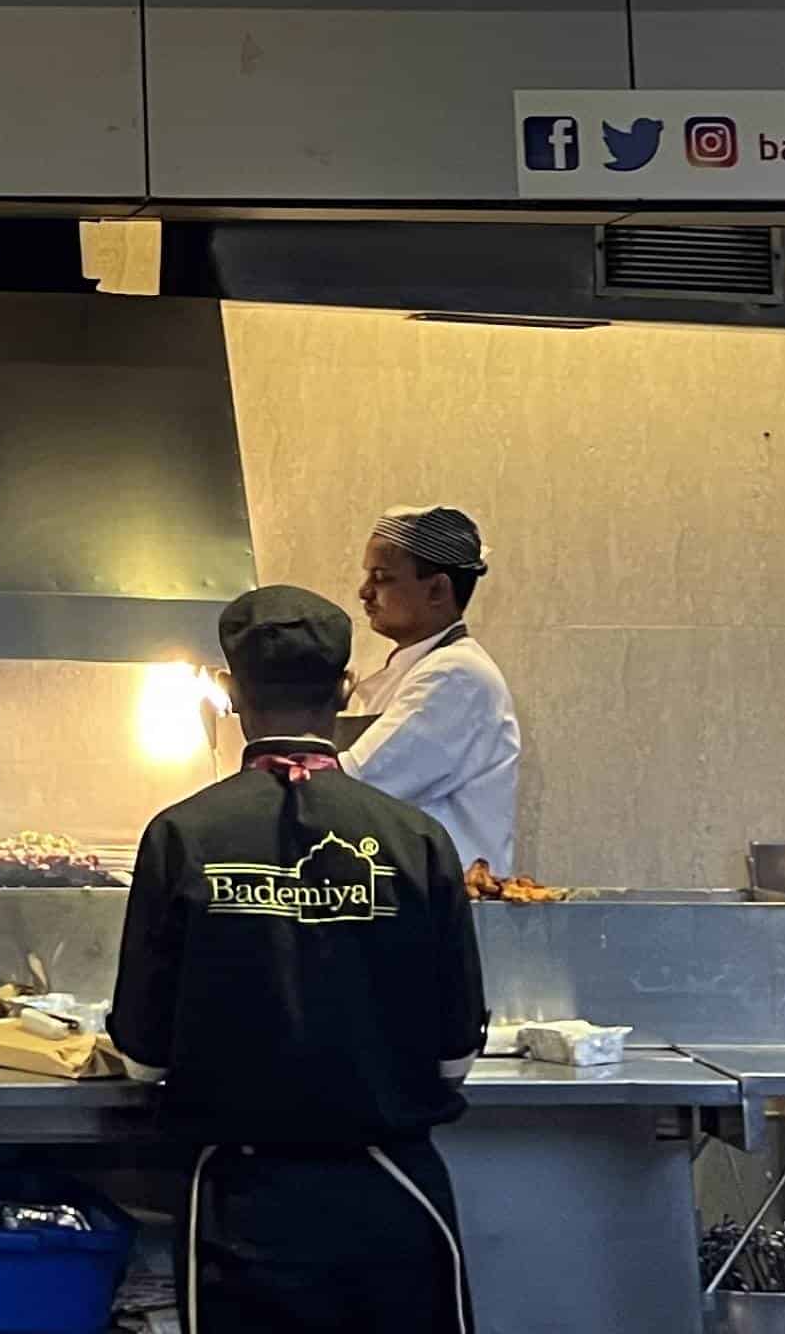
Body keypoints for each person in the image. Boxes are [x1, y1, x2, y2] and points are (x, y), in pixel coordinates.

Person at [112, 583, 487, 1334]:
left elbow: (144, 1056)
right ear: (345, 689)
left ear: (227, 691)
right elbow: (454, 1054)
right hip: (394, 1196)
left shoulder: (180, 836)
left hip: (241, 1205)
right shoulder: (416, 840)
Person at [345, 504, 525, 880]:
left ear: (437, 590)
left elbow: (354, 784)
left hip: (442, 912)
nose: (364, 592)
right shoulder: (417, 669)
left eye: (381, 578)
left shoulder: (455, 677)